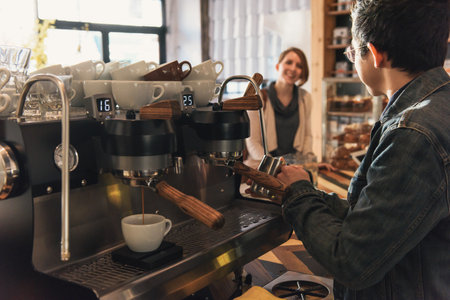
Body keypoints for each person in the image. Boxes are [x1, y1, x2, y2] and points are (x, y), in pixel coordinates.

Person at [275, 0, 450, 299]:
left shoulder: (412, 134)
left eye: (352, 51)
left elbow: (352, 261)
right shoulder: (437, 105)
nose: (352, 58)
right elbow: (383, 220)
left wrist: (299, 196)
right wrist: (311, 193)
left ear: (375, 54)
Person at [244, 47, 313, 169]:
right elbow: (252, 142)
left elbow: (307, 136)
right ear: (277, 66)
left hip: (292, 168)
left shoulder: (305, 98)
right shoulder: (258, 97)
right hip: (263, 168)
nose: (293, 68)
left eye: (299, 66)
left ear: (302, 72)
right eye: (289, 62)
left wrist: (310, 163)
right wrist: (275, 166)